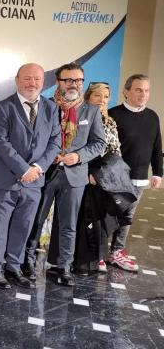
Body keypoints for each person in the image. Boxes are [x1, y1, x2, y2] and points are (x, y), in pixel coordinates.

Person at [24, 63, 106, 286]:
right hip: (44, 172)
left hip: (74, 175)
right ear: (58, 82)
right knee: (35, 220)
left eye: (78, 80)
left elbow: (99, 143)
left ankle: (64, 267)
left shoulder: (91, 110)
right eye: (67, 80)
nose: (73, 84)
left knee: (68, 225)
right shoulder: (45, 106)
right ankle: (28, 262)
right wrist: (44, 156)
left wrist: (77, 156)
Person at [0, 63, 61, 290]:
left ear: (43, 82)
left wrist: (37, 167)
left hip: (34, 181)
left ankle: (14, 267)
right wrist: (23, 169)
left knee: (23, 227)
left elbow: (55, 141)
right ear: (17, 80)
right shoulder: (3, 107)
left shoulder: (51, 108)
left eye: (36, 79)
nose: (32, 83)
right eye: (27, 78)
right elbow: (1, 142)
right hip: (5, 180)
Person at [73, 82, 135, 274]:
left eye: (106, 97)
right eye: (97, 96)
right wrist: (87, 172)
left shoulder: (109, 121)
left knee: (101, 219)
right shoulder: (79, 117)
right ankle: (76, 258)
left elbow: (115, 151)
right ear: (88, 97)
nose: (102, 100)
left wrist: (104, 175)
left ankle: (96, 257)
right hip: (82, 172)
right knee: (81, 219)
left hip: (102, 177)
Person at [108, 74, 163, 271]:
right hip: (115, 178)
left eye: (147, 90)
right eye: (139, 90)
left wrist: (158, 173)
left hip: (139, 179)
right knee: (107, 216)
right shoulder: (113, 114)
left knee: (127, 218)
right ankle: (96, 254)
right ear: (127, 91)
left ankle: (117, 252)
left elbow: (157, 146)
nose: (143, 94)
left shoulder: (152, 116)